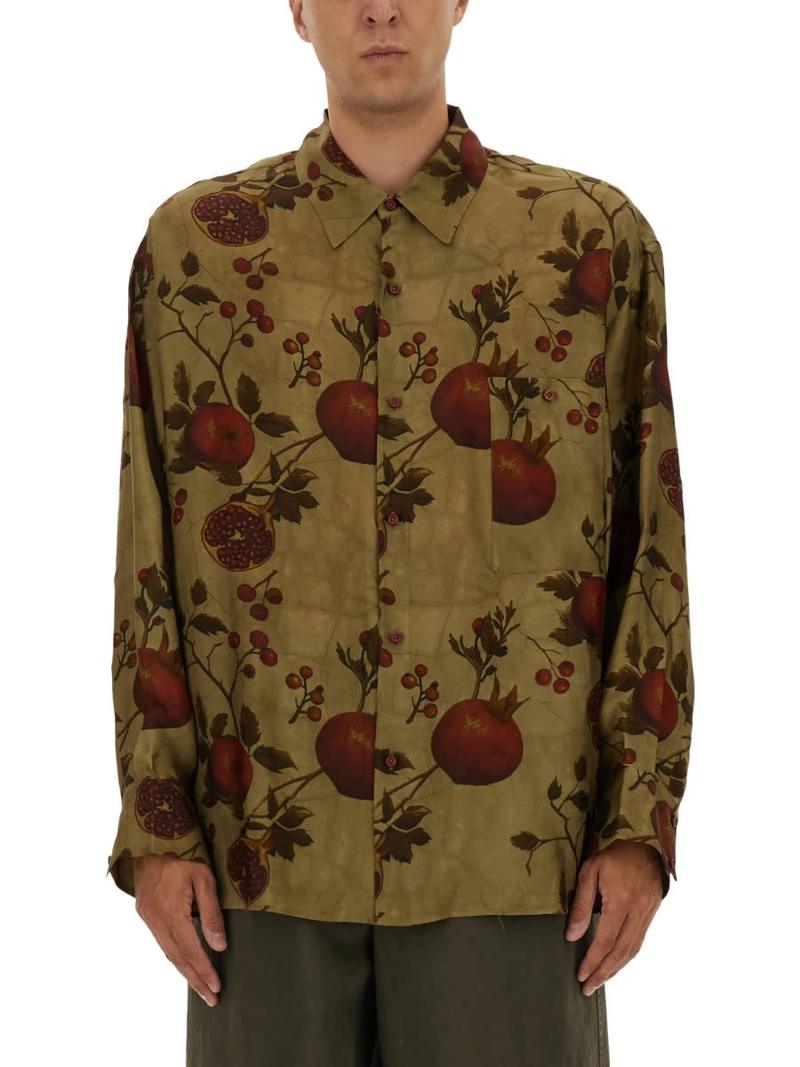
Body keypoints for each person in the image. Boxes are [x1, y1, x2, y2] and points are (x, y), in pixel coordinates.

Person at [107, 1, 695, 1063]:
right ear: (296, 8)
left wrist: (636, 821)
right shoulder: (197, 249)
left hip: (516, 855)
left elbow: (647, 544)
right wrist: (157, 820)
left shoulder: (588, 243)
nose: (380, 7)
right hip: (259, 855)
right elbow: (148, 546)